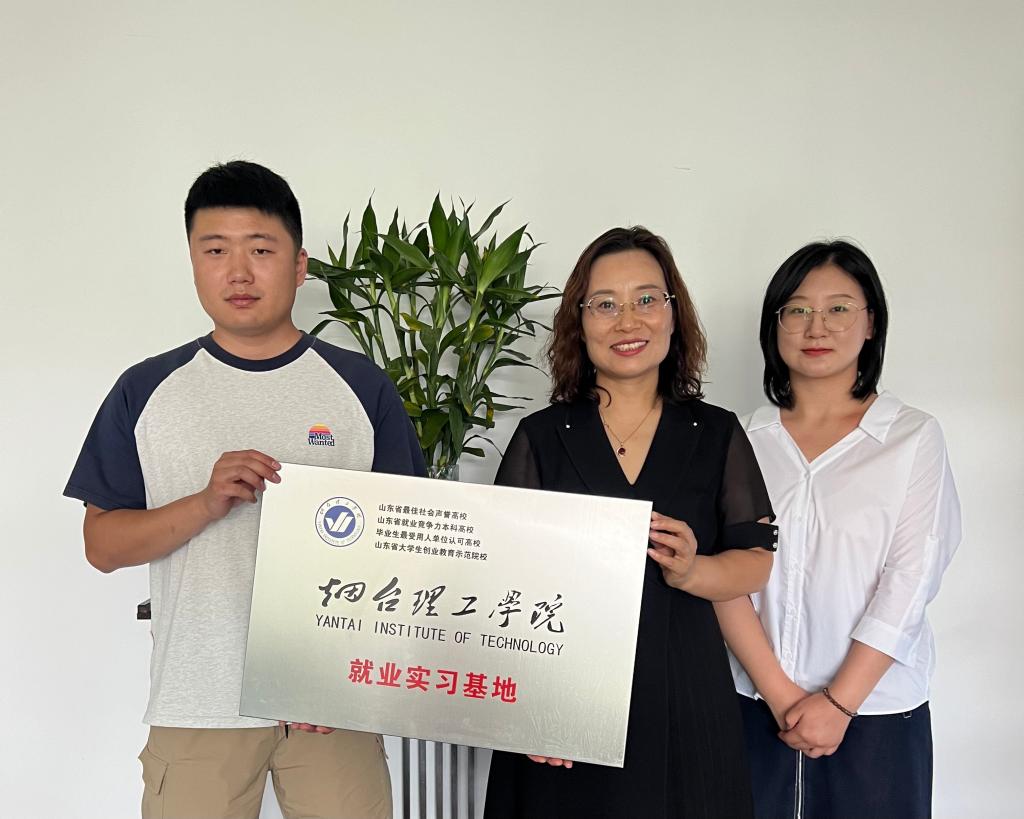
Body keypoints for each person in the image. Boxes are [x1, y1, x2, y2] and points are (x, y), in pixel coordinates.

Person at [63, 160, 425, 819]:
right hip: (198, 703)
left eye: (260, 250)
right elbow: (102, 545)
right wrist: (205, 503)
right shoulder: (146, 390)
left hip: (330, 705)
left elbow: (413, 545)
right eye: (215, 250)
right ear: (193, 262)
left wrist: (352, 674)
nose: (238, 272)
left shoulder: (360, 388)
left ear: (299, 265)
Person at [483, 226, 777, 819]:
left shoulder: (715, 432)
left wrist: (692, 571)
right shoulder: (542, 437)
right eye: (605, 305)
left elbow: (755, 562)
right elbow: (499, 580)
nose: (627, 321)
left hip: (685, 697)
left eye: (646, 299)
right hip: (565, 706)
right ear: (578, 322)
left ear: (673, 314)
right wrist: (529, 708)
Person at [716, 241, 962, 819]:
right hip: (753, 707)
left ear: (871, 323)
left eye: (839, 308)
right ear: (774, 324)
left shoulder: (912, 437)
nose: (816, 326)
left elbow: (911, 578)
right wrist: (782, 696)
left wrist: (839, 703)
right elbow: (723, 575)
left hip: (876, 712)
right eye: (798, 309)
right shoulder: (739, 439)